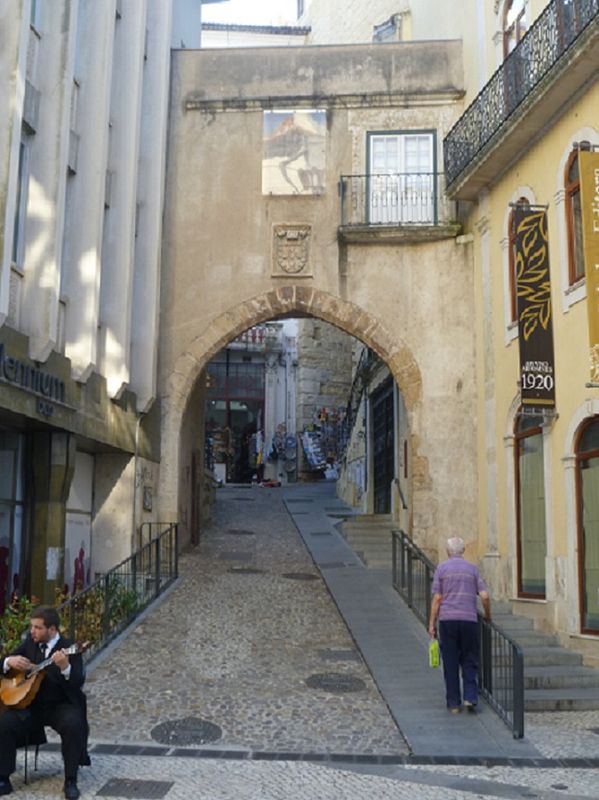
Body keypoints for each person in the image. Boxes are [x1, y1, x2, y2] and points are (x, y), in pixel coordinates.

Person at [0, 606, 90, 799]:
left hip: (60, 706)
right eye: (32, 627)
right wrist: (10, 661)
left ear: (52, 629)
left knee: (73, 724)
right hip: (31, 706)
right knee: (6, 722)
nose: (32, 631)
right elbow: (4, 665)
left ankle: (70, 780)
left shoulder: (69, 647)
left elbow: (77, 681)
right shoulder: (29, 644)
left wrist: (65, 667)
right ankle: (3, 778)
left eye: (37, 627)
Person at [428, 536, 491, 714]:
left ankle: (454, 703)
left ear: (448, 552)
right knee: (470, 659)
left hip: (448, 620)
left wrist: (432, 623)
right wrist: (487, 614)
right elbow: (485, 596)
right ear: (463, 551)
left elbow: (437, 598)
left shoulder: (442, 568)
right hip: (469, 619)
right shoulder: (472, 569)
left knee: (450, 662)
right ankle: (470, 696)